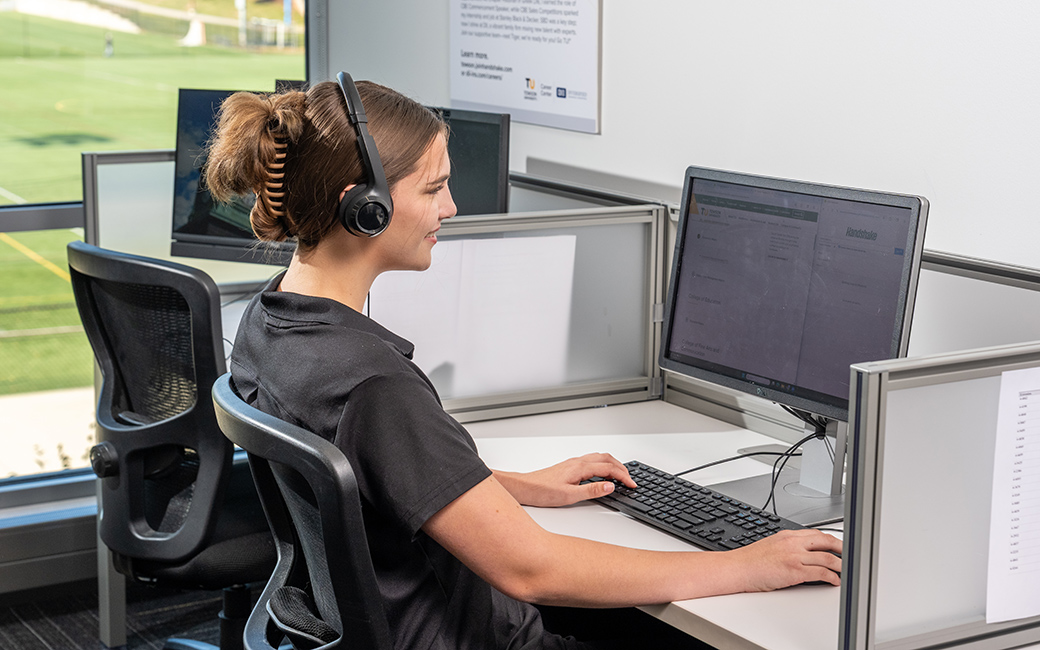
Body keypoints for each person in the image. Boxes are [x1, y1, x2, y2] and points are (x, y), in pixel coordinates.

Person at [204, 73, 843, 650]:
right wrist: (746, 565)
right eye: (434, 189)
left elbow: (372, 479)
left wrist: (520, 487)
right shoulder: (371, 383)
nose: (450, 208)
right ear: (363, 207)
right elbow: (531, 569)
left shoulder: (274, 322)